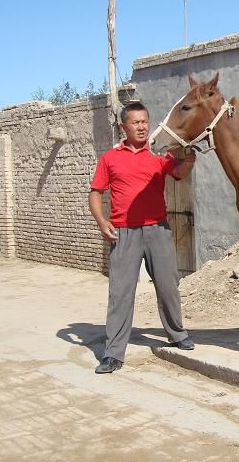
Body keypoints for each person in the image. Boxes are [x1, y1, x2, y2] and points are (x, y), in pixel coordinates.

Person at [89, 101, 196, 374]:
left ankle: (177, 334)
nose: (142, 127)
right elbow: (95, 194)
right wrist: (102, 222)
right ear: (123, 126)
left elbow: (179, 173)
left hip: (158, 230)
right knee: (121, 293)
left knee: (168, 285)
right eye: (135, 122)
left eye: (145, 121)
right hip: (123, 232)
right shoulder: (110, 158)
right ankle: (113, 353)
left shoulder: (158, 155)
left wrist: (189, 159)